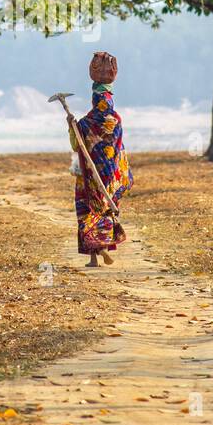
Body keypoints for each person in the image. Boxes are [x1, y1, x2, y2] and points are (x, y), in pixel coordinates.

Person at [68, 51, 134, 267]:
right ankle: (102, 248)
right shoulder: (116, 120)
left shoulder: (87, 122)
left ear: (96, 99)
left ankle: (95, 257)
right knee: (104, 210)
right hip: (108, 178)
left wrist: (72, 125)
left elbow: (77, 144)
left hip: (89, 177)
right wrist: (74, 125)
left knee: (88, 210)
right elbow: (119, 150)